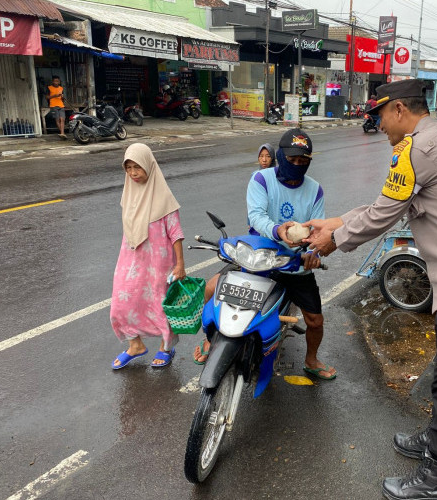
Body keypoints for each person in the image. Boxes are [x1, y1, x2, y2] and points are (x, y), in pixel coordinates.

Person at [303, 79, 437, 500]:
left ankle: (436, 477)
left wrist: (335, 239)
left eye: (380, 115)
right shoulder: (430, 143)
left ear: (399, 109)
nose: (379, 125)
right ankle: (435, 442)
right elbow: (388, 203)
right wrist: (334, 222)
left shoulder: (419, 150)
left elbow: (385, 212)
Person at [193, 129, 336, 381]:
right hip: (258, 257)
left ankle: (311, 359)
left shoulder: (316, 190)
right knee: (212, 289)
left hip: (294, 263)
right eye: (291, 159)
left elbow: (319, 228)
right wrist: (278, 230)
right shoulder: (261, 179)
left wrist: (313, 252)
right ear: (280, 156)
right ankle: (210, 341)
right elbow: (256, 216)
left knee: (315, 320)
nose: (297, 165)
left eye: (303, 161)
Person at [110, 143, 186, 370]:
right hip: (130, 260)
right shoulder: (128, 195)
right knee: (121, 303)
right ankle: (135, 345)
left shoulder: (164, 198)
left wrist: (180, 264)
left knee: (159, 304)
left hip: (158, 263)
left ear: (149, 167)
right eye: (129, 168)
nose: (133, 173)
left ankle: (166, 346)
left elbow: (176, 233)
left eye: (138, 167)